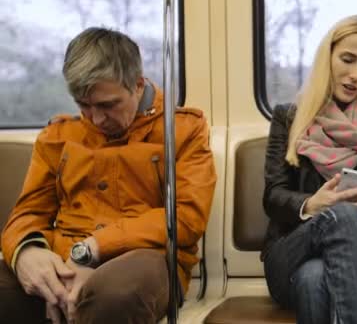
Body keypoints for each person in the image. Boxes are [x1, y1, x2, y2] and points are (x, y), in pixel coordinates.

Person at [0, 27, 216, 323]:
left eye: (108, 105)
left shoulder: (182, 130)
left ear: (138, 85)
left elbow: (186, 218)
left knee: (115, 295)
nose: (97, 119)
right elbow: (27, 214)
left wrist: (92, 249)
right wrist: (27, 253)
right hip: (62, 257)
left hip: (146, 258)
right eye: (84, 106)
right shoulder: (58, 136)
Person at [262, 15, 357, 324]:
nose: (355, 74)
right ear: (327, 57)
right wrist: (312, 205)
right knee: (343, 214)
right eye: (347, 59)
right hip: (292, 249)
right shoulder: (288, 117)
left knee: (314, 279)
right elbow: (273, 196)